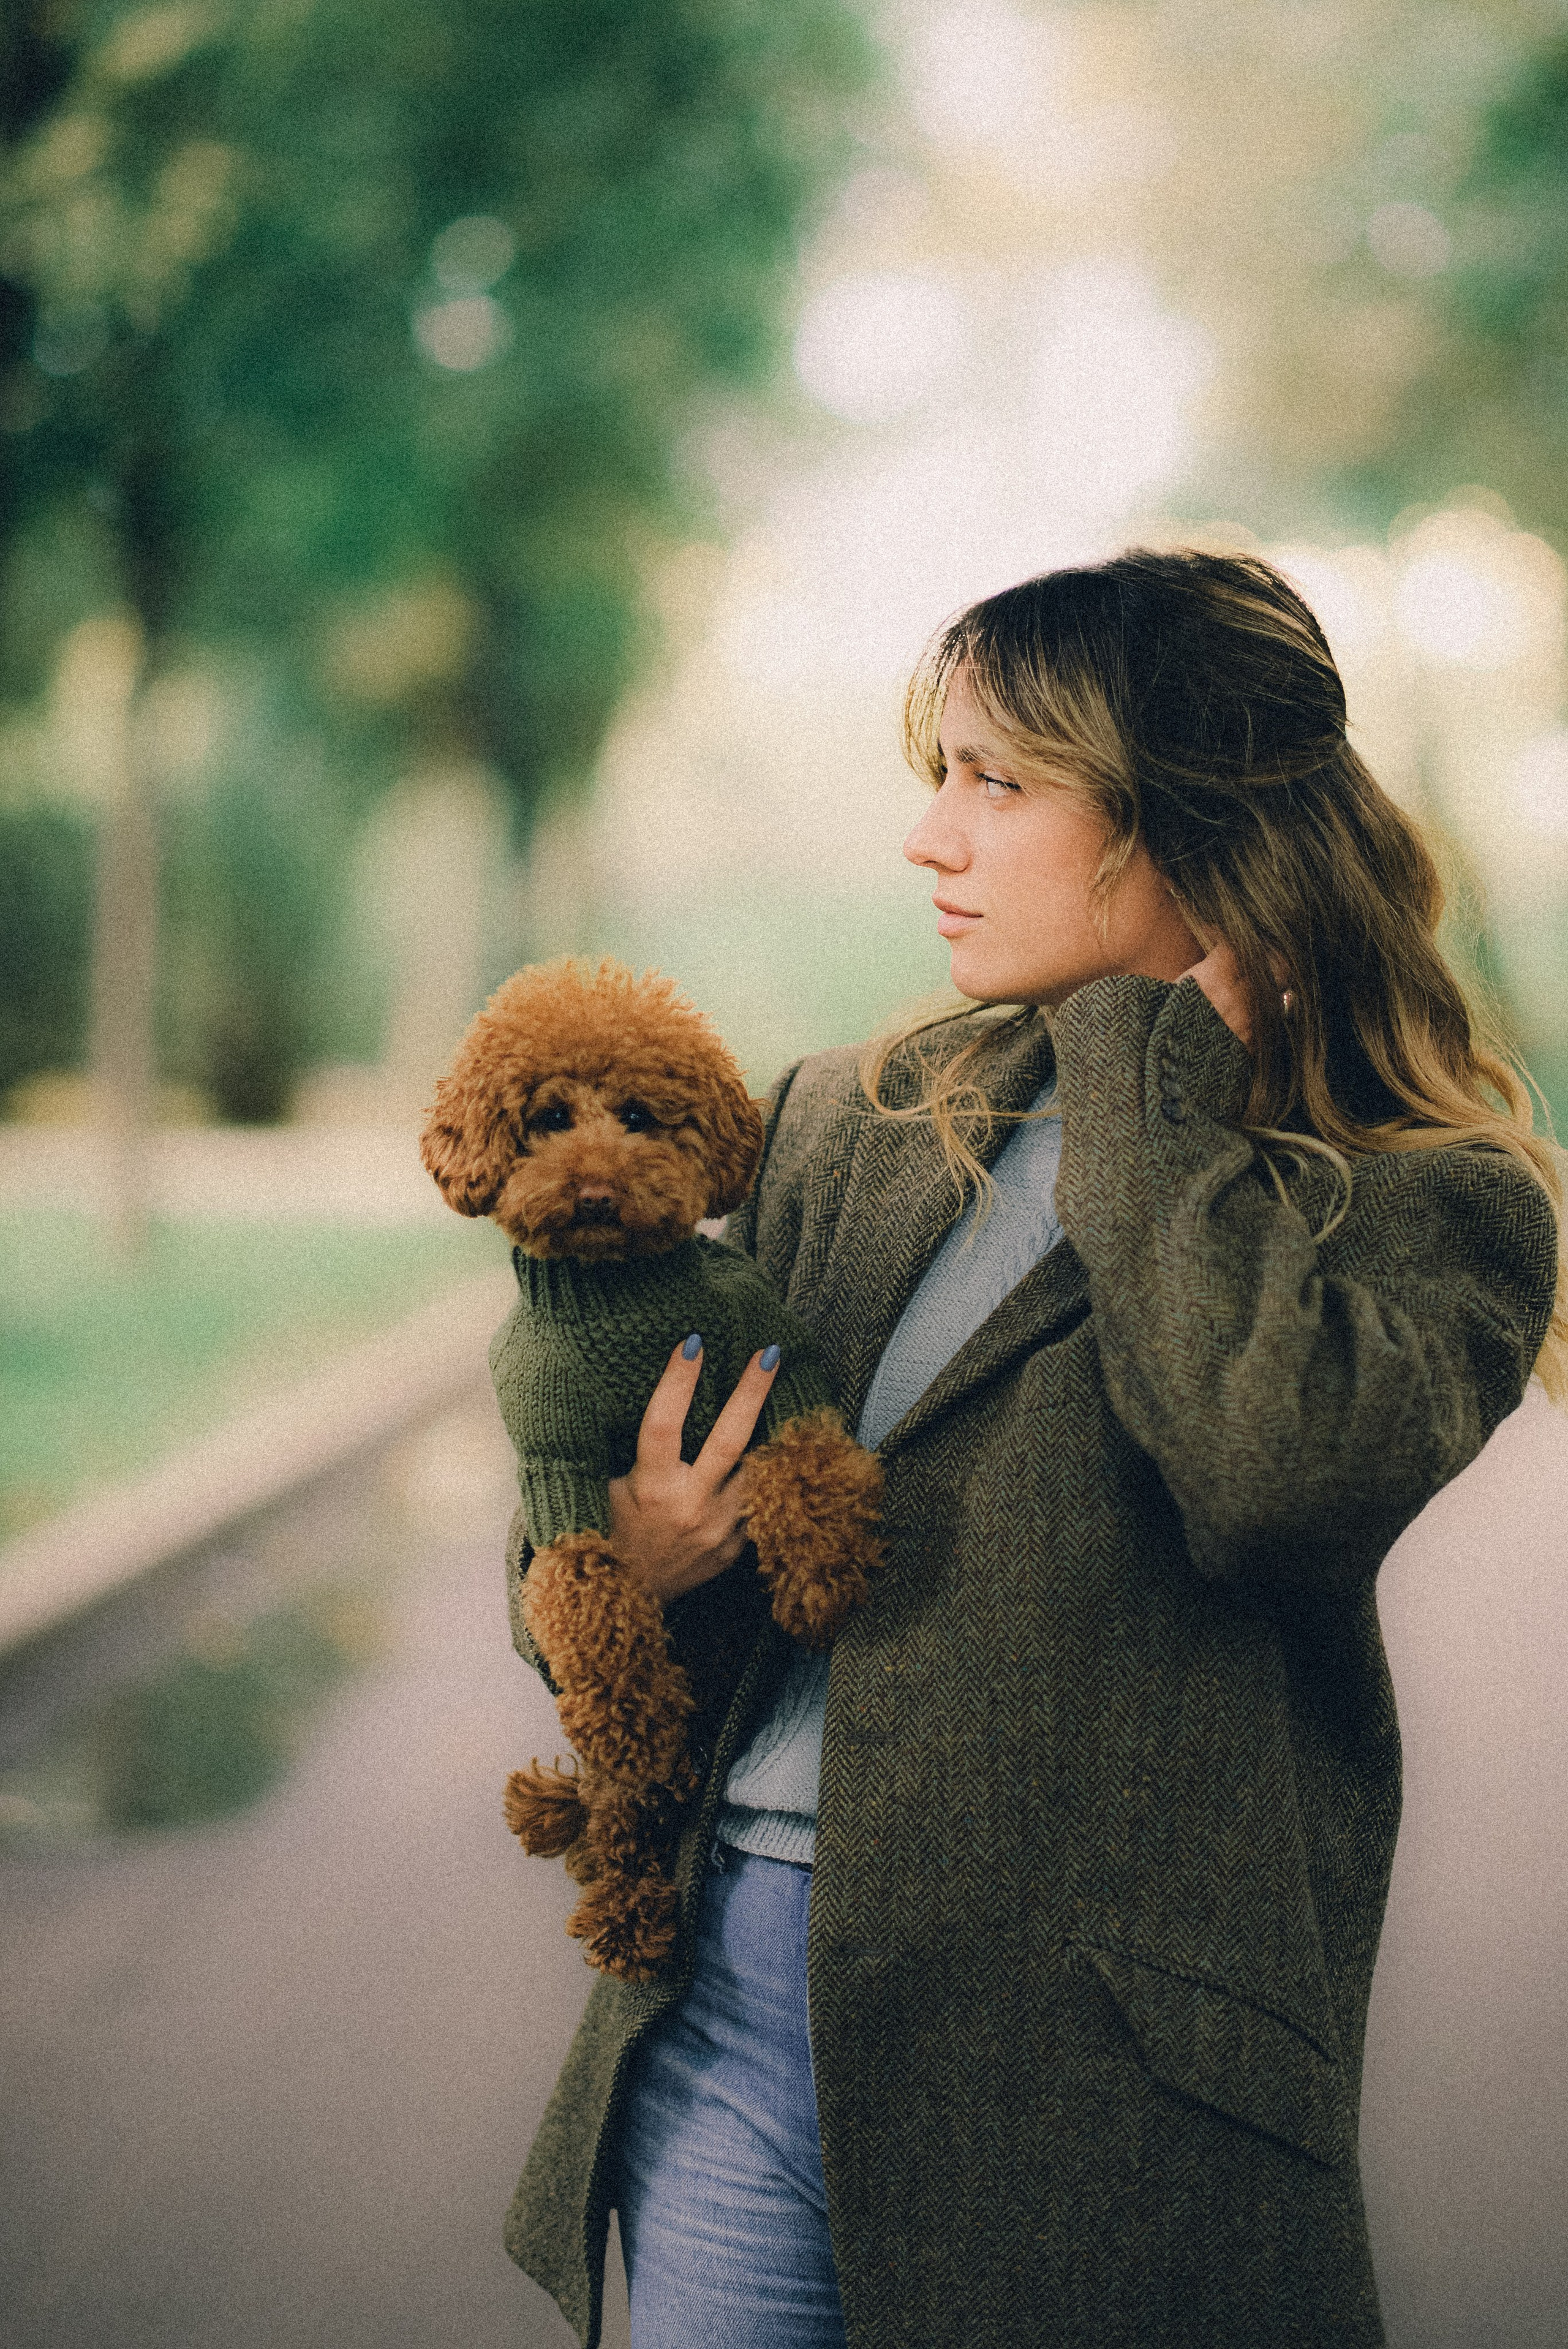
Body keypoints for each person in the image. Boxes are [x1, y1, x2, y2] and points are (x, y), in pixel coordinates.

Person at [500, 549, 1564, 2349]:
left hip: (1098, 2083)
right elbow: (582, 1485)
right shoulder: (851, 1119)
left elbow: (1272, 1475)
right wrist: (640, 1559)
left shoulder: (1425, 1201)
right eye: (942, 775)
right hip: (738, 2010)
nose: (933, 837)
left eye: (998, 782)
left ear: (1190, 817)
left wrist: (1151, 1076)